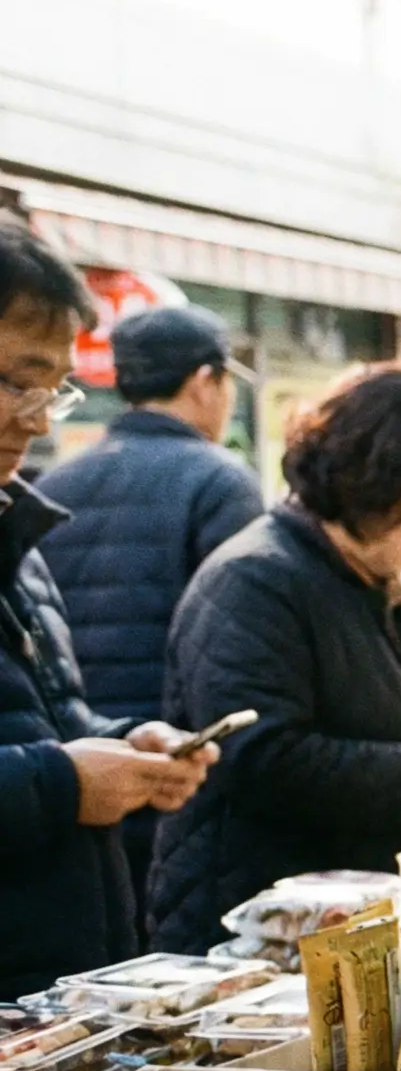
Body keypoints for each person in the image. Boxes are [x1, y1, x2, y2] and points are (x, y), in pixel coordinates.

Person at [147, 367, 401, 954]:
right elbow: (264, 758)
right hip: (260, 935)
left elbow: (386, 728)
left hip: (355, 927)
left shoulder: (376, 582)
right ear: (375, 484)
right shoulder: (255, 579)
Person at [0, 223, 214, 977]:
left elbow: (41, 721)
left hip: (54, 1002)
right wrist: (63, 783)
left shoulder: (16, 528)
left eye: (50, 390)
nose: (32, 418)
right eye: (12, 382)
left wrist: (124, 744)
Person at [35, 304, 265, 920]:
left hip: (75, 770)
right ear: (203, 380)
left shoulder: (54, 484)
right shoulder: (221, 482)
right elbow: (239, 637)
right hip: (172, 766)